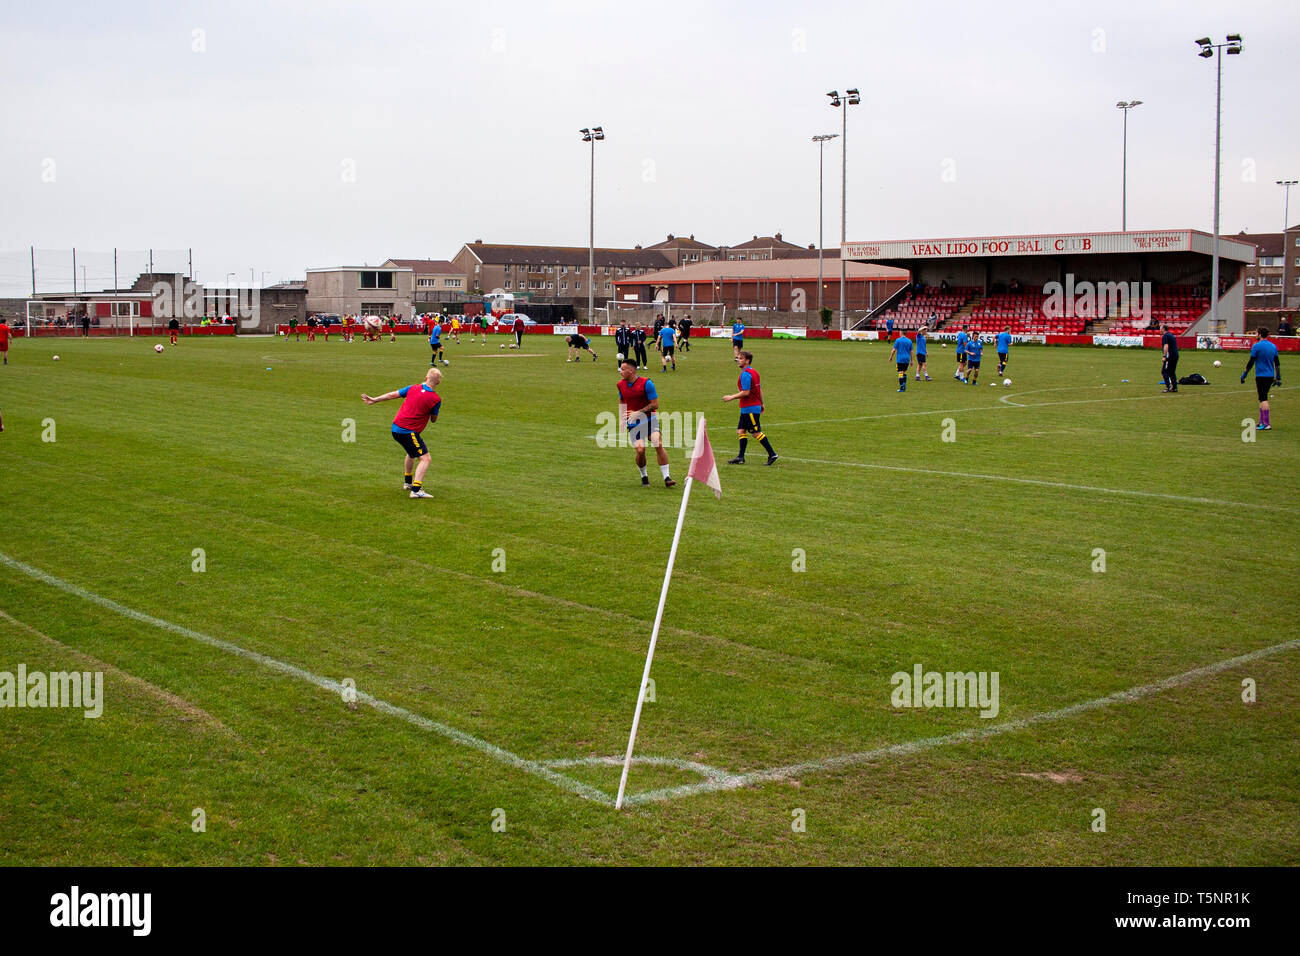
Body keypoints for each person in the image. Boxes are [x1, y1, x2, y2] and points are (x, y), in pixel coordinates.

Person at [362, 367, 442, 498]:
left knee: (411, 453)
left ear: (426, 378)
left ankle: (408, 483)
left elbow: (392, 395)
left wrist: (374, 400)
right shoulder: (435, 399)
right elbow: (433, 420)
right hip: (408, 431)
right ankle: (416, 490)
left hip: (396, 428)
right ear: (438, 383)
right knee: (425, 459)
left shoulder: (412, 388)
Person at [616, 358, 676, 487]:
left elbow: (655, 404)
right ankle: (644, 476)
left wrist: (638, 412)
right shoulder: (620, 385)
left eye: (623, 368)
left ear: (631, 371)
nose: (620, 371)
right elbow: (622, 400)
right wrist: (622, 418)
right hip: (633, 423)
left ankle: (667, 477)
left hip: (649, 419)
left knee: (657, 443)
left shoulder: (647, 383)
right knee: (640, 450)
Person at [723, 350, 778, 465]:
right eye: (738, 358)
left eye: (741, 358)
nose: (738, 360)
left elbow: (746, 392)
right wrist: (762, 403)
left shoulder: (746, 374)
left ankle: (772, 454)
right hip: (749, 407)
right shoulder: (754, 372)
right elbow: (759, 389)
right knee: (741, 431)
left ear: (747, 361)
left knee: (755, 432)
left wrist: (731, 397)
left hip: (750, 408)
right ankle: (741, 457)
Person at [1241, 327, 1281, 431]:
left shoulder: (1257, 346)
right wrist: (1278, 377)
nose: (1255, 334)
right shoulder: (1273, 346)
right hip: (1270, 375)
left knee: (1263, 398)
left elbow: (1251, 362)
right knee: (1261, 398)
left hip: (1261, 376)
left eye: (1256, 333)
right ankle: (1261, 421)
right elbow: (1277, 363)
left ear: (1259, 334)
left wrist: (1244, 374)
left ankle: (1267, 424)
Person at [1161, 324, 1180, 393]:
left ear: (1163, 329)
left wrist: (1164, 356)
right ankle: (1174, 388)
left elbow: (1166, 346)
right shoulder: (1170, 335)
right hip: (1175, 355)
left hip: (1170, 356)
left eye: (1160, 328)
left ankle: (1168, 387)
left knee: (1164, 371)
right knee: (1171, 372)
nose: (1160, 329)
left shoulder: (1165, 336)